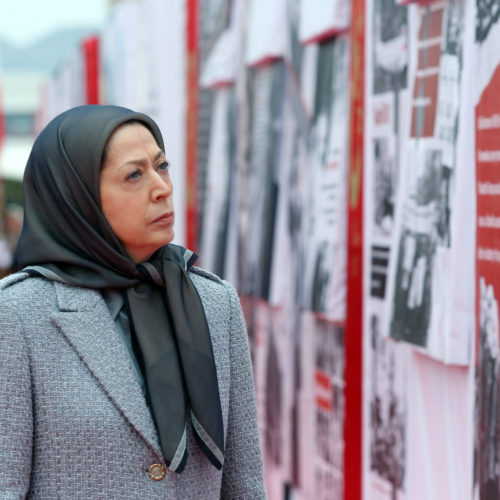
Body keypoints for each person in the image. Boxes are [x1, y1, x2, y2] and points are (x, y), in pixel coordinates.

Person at [0, 105, 266, 499]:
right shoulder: (18, 316)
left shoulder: (214, 302)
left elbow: (243, 483)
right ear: (79, 196)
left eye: (162, 165)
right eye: (135, 175)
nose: (162, 187)